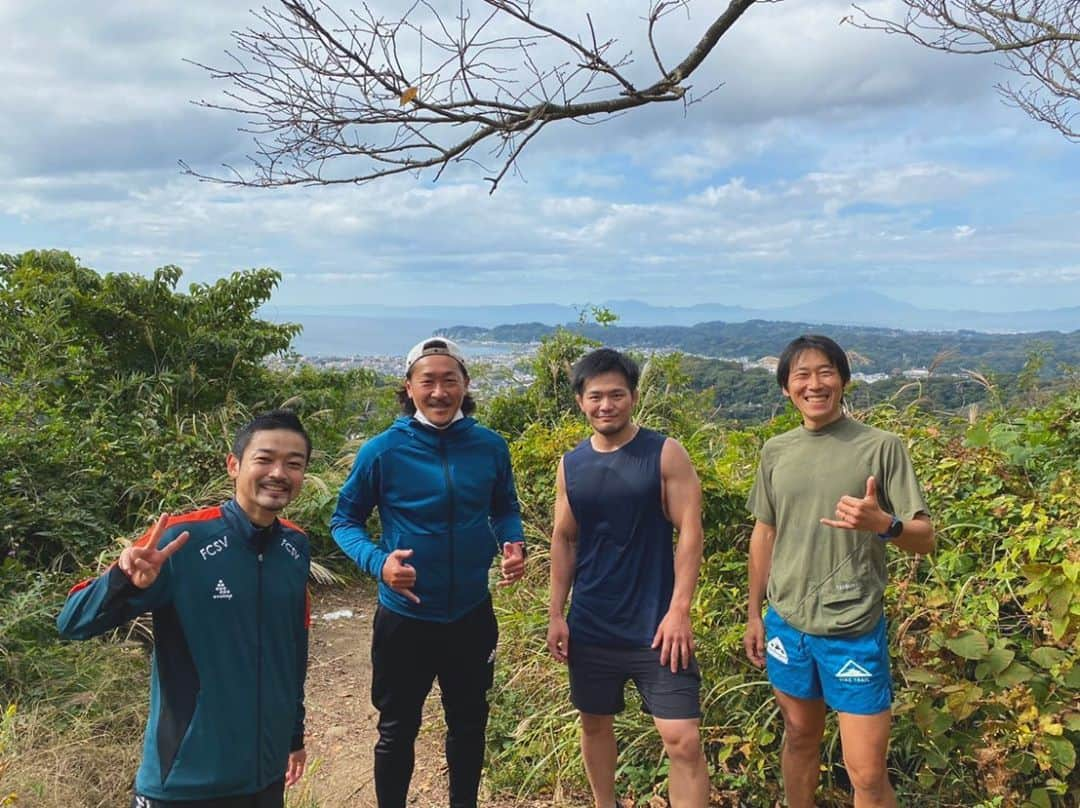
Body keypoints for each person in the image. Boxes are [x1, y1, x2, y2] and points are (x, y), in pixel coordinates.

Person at [57, 410, 313, 808]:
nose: (278, 472)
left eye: (293, 464)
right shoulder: (182, 540)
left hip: (263, 779)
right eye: (264, 459)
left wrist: (293, 737)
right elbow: (73, 622)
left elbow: (293, 651)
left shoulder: (295, 547)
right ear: (234, 465)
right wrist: (122, 579)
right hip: (185, 781)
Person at [330, 336, 526, 808]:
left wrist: (513, 542)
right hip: (405, 618)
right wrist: (380, 563)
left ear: (465, 384)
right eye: (428, 382)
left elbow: (504, 507)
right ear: (409, 387)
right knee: (397, 729)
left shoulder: (489, 446)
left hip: (471, 614)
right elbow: (344, 520)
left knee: (469, 724)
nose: (439, 392)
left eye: (449, 380)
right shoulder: (383, 451)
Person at [743, 334, 936, 808]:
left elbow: (926, 538)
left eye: (825, 372)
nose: (814, 384)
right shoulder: (776, 450)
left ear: (844, 381)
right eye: (801, 376)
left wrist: (884, 525)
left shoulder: (881, 447)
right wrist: (754, 613)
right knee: (800, 738)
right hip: (786, 622)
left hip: (852, 626)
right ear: (786, 389)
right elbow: (765, 533)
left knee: (867, 774)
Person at [547, 348, 709, 808]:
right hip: (592, 622)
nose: (606, 405)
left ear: (633, 397)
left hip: (657, 626)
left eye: (616, 394)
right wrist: (557, 614)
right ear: (580, 400)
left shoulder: (664, 453)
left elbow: (690, 533)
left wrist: (680, 610)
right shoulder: (570, 464)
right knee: (594, 723)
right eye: (595, 395)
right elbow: (565, 540)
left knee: (683, 740)